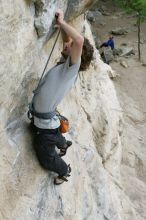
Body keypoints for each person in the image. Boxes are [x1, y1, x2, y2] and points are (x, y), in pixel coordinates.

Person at [30, 9, 94, 185]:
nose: (67, 44)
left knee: (45, 158)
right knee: (40, 131)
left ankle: (65, 171)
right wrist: (62, 25)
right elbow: (69, 40)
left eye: (71, 46)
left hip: (45, 125)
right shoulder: (65, 63)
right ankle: (62, 142)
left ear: (76, 56)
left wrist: (63, 21)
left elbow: (79, 40)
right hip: (44, 120)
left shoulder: (70, 70)